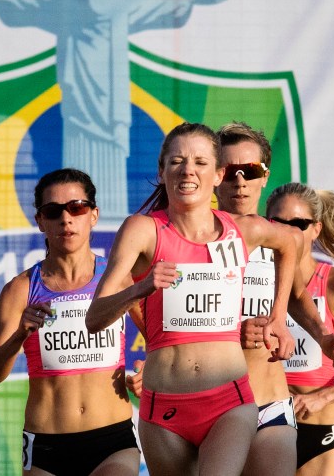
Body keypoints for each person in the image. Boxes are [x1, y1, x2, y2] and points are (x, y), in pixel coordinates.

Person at [86, 122, 297, 475]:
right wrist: (140, 288)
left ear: (217, 175)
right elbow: (95, 319)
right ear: (162, 170)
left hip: (229, 401)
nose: (188, 170)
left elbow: (289, 243)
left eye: (200, 162)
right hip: (162, 408)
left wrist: (278, 316)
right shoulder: (142, 230)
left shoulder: (241, 230)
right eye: (177, 161)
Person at [0, 0, 227, 220]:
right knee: (78, 138)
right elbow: (29, 3)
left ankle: (106, 210)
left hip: (110, 90)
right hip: (78, 87)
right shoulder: (65, 1)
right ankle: (77, 207)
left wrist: (193, 2)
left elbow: (156, 8)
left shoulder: (119, 2)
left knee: (110, 146)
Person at [0, 168, 139, 476]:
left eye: (76, 207)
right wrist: (19, 335)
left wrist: (149, 371)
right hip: (46, 447)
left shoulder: (117, 278)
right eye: (53, 211)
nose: (66, 219)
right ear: (40, 220)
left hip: (112, 439)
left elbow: (162, 341)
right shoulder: (20, 289)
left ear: (93, 214)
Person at [215, 122, 334, 476]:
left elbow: (293, 295)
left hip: (271, 404)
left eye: (251, 170)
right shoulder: (192, 240)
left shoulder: (277, 238)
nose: (240, 180)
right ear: (215, 175)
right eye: (230, 171)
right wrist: (230, 332)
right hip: (213, 405)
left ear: (265, 176)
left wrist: (322, 336)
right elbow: (143, 300)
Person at [266, 183, 334, 475]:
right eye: (278, 222)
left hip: (319, 437)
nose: (288, 232)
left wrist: (322, 397)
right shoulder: (249, 276)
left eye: (299, 224)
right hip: (262, 434)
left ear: (316, 229)